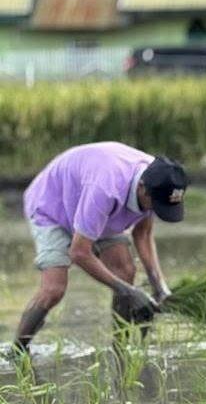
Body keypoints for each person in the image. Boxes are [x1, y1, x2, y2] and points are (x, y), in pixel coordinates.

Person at [11, 142, 189, 357]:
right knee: (53, 290)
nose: (156, 210)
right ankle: (16, 352)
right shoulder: (106, 188)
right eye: (156, 205)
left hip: (98, 210)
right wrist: (128, 292)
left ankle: (121, 350)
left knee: (125, 271)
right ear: (142, 187)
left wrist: (159, 287)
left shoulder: (161, 179)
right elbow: (79, 252)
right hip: (52, 207)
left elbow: (142, 234)